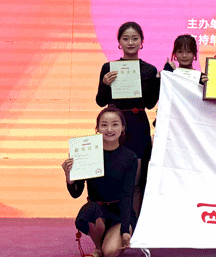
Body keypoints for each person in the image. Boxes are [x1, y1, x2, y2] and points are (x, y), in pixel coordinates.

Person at [95, 22, 159, 215]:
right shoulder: (109, 68)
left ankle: (135, 222)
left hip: (138, 125)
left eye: (134, 38)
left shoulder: (149, 70)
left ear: (141, 42)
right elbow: (101, 101)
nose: (130, 42)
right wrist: (105, 84)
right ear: (119, 42)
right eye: (126, 38)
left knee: (138, 179)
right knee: (115, 175)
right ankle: (116, 220)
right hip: (114, 126)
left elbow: (150, 104)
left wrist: (157, 82)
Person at [62, 106, 138, 257]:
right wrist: (69, 178)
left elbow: (127, 195)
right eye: (104, 125)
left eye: (115, 124)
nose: (109, 129)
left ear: (123, 128)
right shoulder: (87, 153)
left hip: (119, 213)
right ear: (97, 128)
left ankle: (110, 240)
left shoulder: (130, 157)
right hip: (98, 214)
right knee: (91, 208)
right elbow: (76, 193)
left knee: (110, 252)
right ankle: (97, 247)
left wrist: (125, 230)